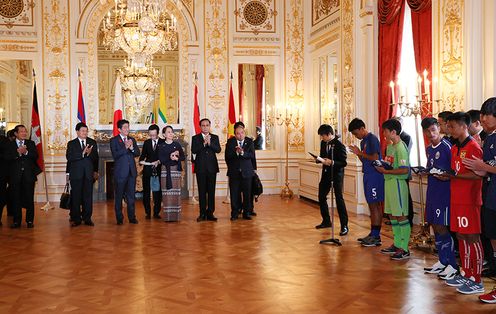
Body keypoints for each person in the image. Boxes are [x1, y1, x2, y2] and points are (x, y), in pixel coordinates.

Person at [441, 112, 484, 294]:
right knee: (460, 236)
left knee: (472, 237)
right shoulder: (454, 148)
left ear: (464, 126)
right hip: (456, 198)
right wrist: (446, 175)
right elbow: (455, 171)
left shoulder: (474, 147)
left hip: (470, 200)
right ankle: (466, 272)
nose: (449, 130)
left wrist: (454, 175)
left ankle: (477, 278)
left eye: (452, 126)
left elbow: (478, 174)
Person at [462, 98, 496, 302]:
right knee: (492, 239)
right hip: (491, 197)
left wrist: (484, 168)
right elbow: (487, 170)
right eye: (481, 115)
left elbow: (489, 168)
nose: (482, 119)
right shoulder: (489, 138)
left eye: (486, 115)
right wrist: (476, 169)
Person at [420, 117, 458, 280]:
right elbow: (432, 167)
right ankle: (442, 261)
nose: (431, 134)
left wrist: (446, 176)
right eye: (427, 131)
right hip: (432, 191)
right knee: (435, 225)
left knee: (442, 226)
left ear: (438, 128)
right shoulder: (429, 149)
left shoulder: (447, 147)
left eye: (433, 130)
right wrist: (425, 171)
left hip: (444, 192)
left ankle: (452, 264)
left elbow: (455, 171)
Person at [376, 119, 411, 260]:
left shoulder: (401, 148)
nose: (383, 133)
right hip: (389, 183)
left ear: (393, 132)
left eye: (385, 131)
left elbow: (404, 171)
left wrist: (386, 171)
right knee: (392, 215)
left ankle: (405, 247)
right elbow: (389, 165)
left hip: (397, 184)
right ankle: (397, 244)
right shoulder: (390, 147)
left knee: (401, 215)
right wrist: (382, 167)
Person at [348, 118, 384, 246]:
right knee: (371, 205)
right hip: (368, 174)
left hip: (375, 175)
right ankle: (373, 232)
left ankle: (376, 235)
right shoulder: (363, 141)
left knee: (375, 205)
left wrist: (360, 153)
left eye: (356, 133)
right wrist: (358, 153)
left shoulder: (372, 139)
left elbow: (375, 158)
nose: (356, 136)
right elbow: (365, 161)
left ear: (362, 128)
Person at [315, 124, 349, 236]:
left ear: (329, 134)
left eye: (323, 136)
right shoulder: (323, 143)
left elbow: (343, 163)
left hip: (337, 175)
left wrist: (332, 162)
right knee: (321, 196)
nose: (322, 138)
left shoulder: (339, 145)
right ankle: (326, 221)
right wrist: (319, 160)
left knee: (339, 199)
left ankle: (344, 226)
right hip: (326, 174)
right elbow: (323, 156)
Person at [66, 122, 99, 227]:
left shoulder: (92, 142)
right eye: (83, 131)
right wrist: (82, 154)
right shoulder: (71, 143)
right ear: (77, 132)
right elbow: (69, 157)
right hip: (76, 174)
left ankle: (87, 218)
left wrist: (95, 171)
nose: (85, 133)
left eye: (86, 131)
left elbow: (96, 158)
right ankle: (76, 219)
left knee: (87, 197)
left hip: (89, 174)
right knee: (76, 197)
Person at [5, 125, 38, 228]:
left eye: (25, 131)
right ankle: (16, 221)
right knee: (16, 199)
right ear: (16, 133)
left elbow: (35, 156)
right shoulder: (10, 145)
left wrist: (26, 152)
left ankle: (29, 221)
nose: (24, 133)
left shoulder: (31, 143)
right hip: (15, 177)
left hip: (29, 176)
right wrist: (18, 153)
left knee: (29, 198)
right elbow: (6, 158)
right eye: (21, 131)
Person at [110, 119, 140, 225]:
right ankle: (119, 218)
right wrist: (125, 147)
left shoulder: (132, 139)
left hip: (131, 173)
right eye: (125, 127)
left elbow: (137, 153)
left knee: (131, 197)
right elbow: (115, 155)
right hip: (120, 173)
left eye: (128, 127)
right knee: (118, 196)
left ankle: (132, 217)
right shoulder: (114, 140)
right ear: (119, 129)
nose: (127, 129)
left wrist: (132, 148)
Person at [191, 118, 221, 222]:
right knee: (202, 192)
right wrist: (204, 143)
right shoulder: (195, 138)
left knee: (211, 192)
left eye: (207, 125)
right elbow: (194, 150)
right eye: (203, 125)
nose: (205, 127)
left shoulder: (215, 137)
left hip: (212, 168)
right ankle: (202, 213)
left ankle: (210, 213)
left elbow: (218, 150)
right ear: (200, 127)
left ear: (210, 126)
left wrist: (210, 143)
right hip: (201, 169)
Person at [225, 122, 256, 221]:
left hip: (247, 173)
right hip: (234, 173)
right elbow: (227, 157)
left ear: (244, 132)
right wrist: (236, 153)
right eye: (238, 133)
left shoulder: (250, 142)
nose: (240, 135)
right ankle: (234, 213)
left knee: (247, 194)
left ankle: (246, 213)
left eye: (242, 133)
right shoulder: (230, 142)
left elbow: (251, 156)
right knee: (234, 194)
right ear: (235, 134)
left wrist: (242, 152)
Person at [158, 126, 185, 222]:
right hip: (165, 171)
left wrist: (177, 158)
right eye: (168, 132)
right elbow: (161, 159)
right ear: (164, 134)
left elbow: (183, 157)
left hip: (175, 171)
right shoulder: (161, 145)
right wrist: (170, 157)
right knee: (166, 193)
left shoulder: (177, 144)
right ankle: (168, 217)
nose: (171, 133)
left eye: (172, 132)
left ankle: (176, 217)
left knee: (176, 193)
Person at [139, 124, 163, 220]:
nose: (152, 137)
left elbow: (164, 157)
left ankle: (156, 212)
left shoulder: (163, 142)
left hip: (159, 170)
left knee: (158, 193)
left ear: (158, 133)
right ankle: (147, 213)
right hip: (148, 171)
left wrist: (158, 162)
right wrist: (142, 161)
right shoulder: (147, 143)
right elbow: (142, 156)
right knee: (146, 192)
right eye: (150, 135)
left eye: (154, 135)